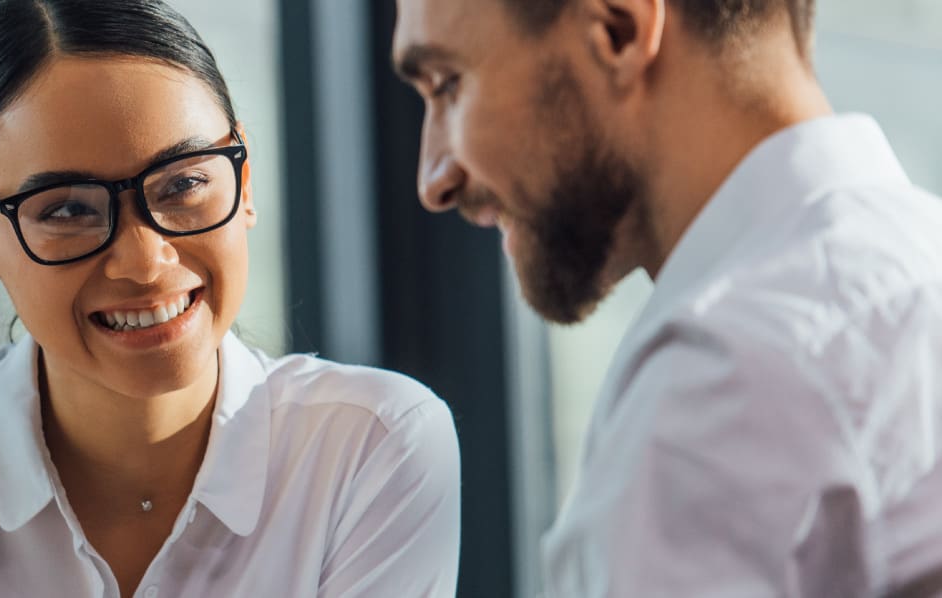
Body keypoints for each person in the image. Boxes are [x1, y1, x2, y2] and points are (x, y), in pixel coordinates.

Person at [0, 1, 462, 596]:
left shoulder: (371, 449)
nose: (144, 261)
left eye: (184, 184)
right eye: (66, 210)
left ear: (243, 185)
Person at [392, 0, 942, 594]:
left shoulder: (725, 386)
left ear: (618, 32)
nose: (433, 178)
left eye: (448, 84)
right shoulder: (910, 270)